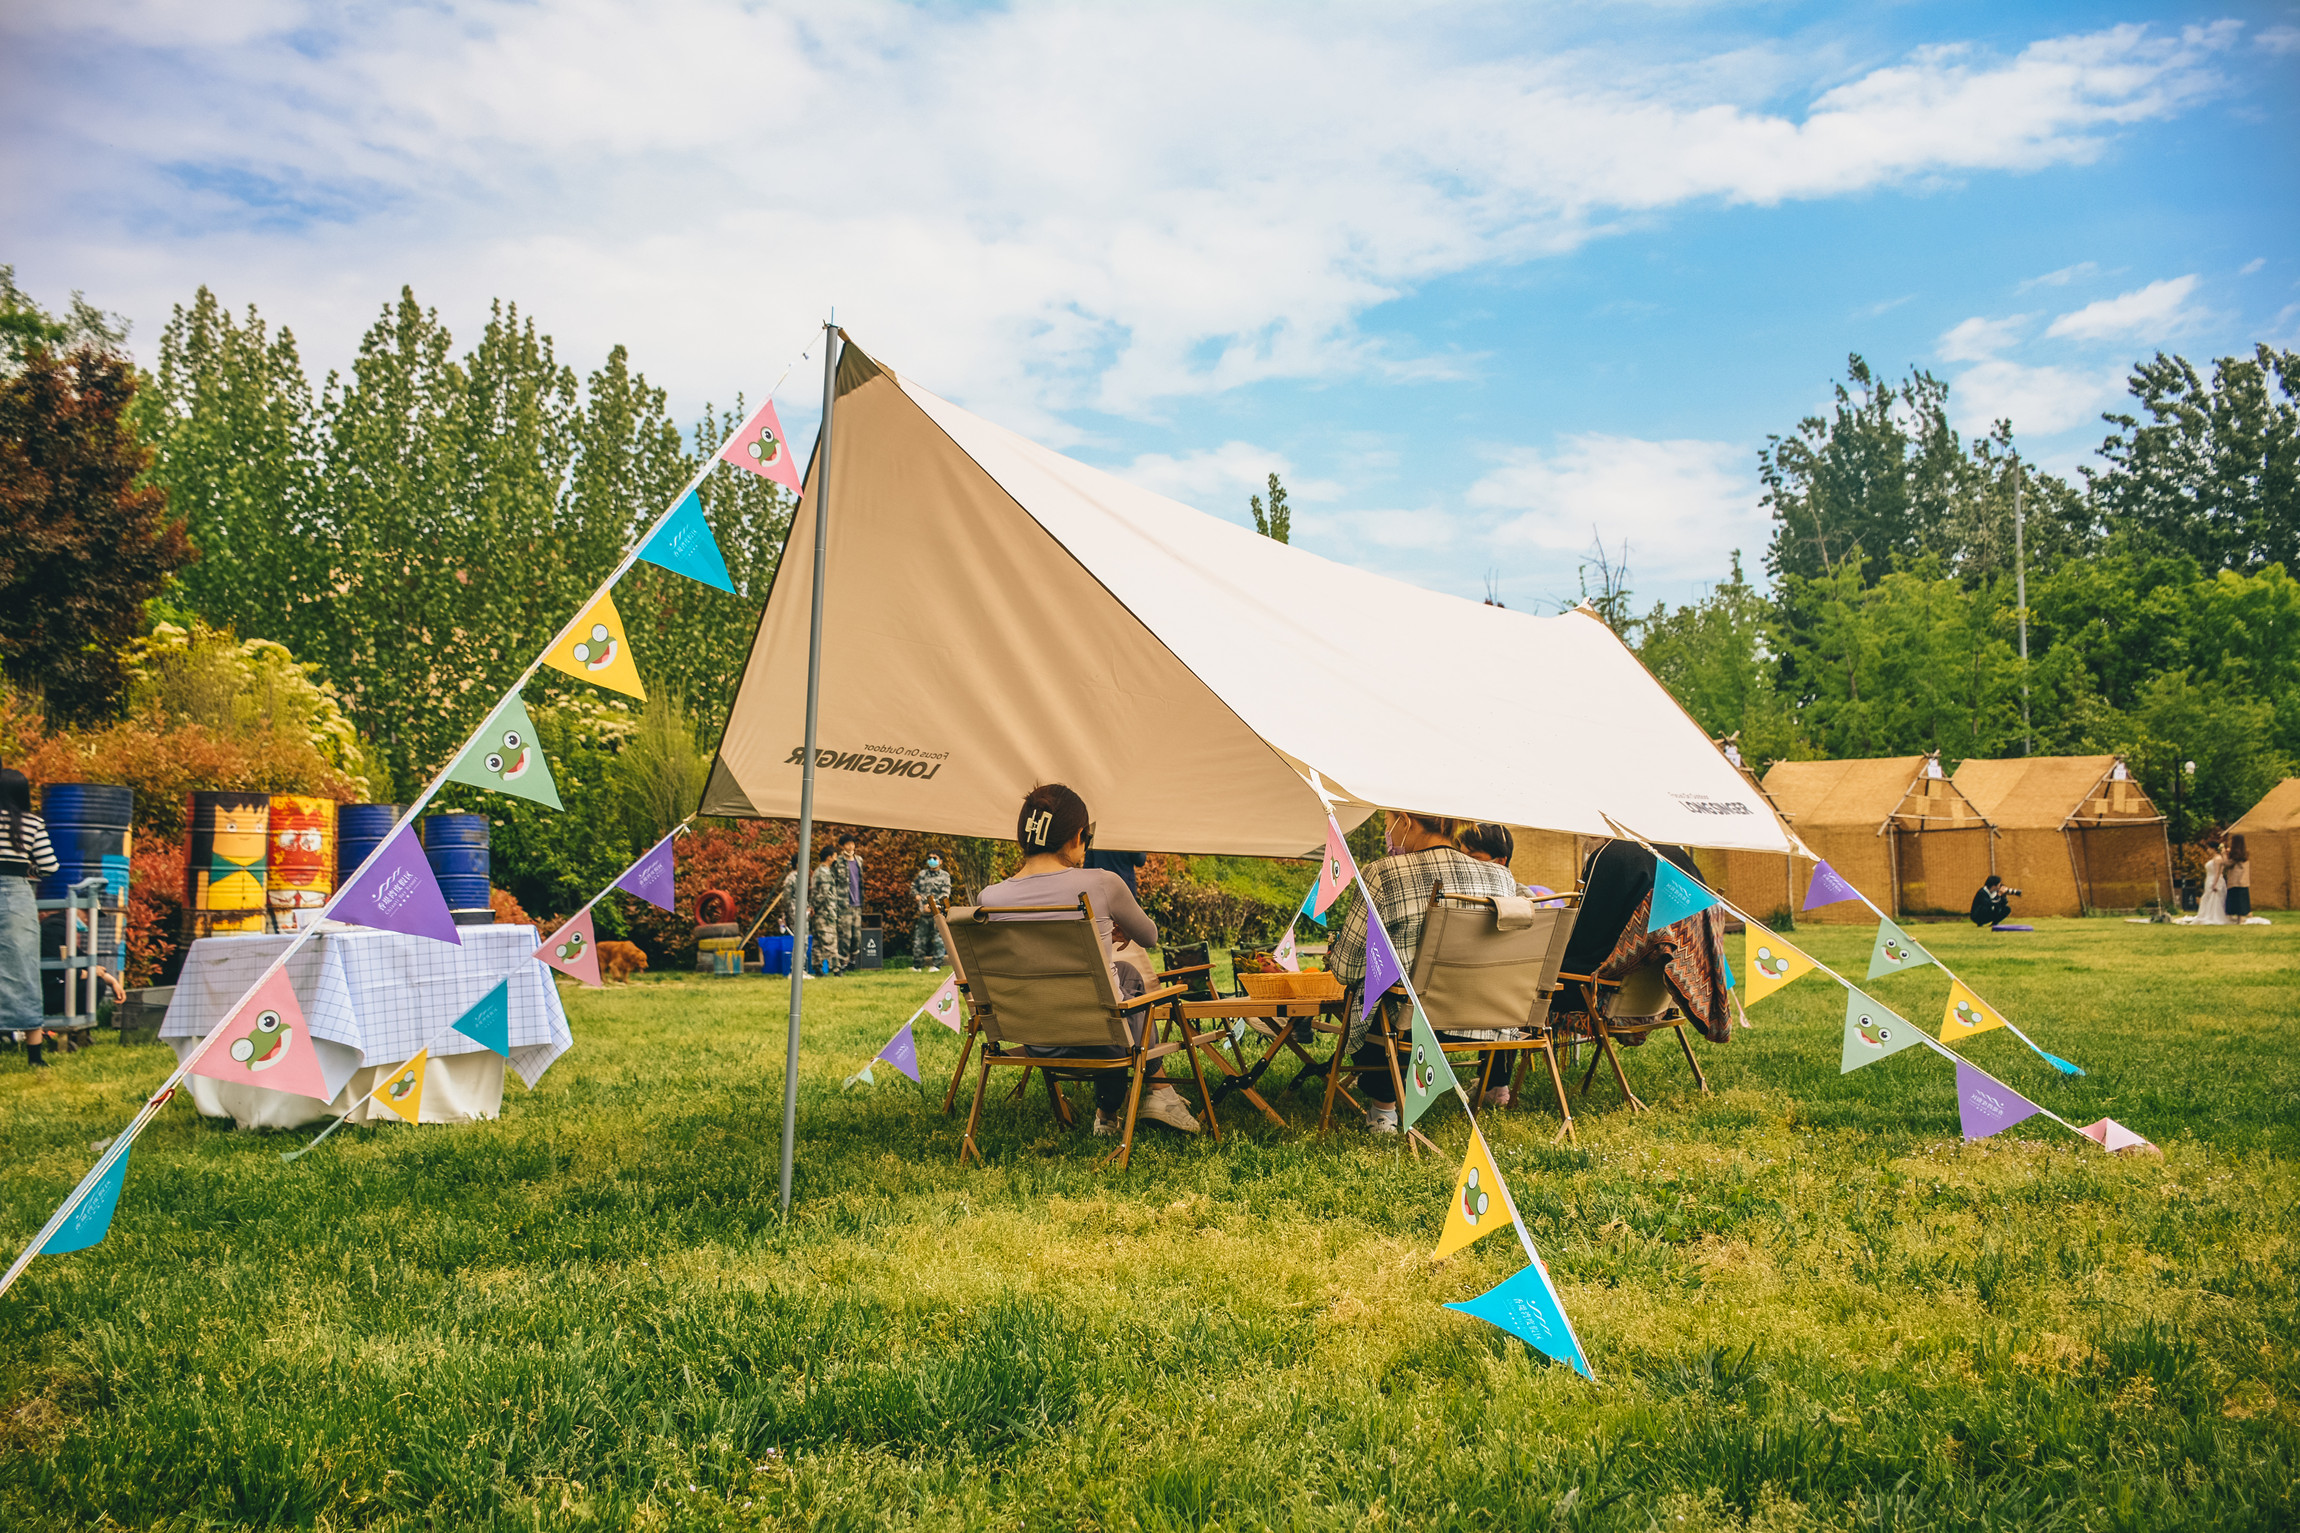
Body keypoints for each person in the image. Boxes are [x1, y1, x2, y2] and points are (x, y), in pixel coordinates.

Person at [976, 783, 1199, 1137]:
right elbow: (1150, 936)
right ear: (1077, 836)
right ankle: (1154, 1093)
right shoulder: (1102, 884)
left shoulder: (989, 899)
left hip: (1035, 1039)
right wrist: (1114, 921)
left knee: (1123, 974)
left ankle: (1112, 1113)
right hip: (1102, 1039)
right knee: (1125, 993)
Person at [1328, 810, 1518, 1131]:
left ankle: (1384, 1109)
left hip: (1410, 1021)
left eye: (1387, 824)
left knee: (1375, 992)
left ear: (1405, 821)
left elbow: (1346, 968)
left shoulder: (1383, 873)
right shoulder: (1502, 877)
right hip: (1483, 1015)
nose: (1387, 834)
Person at [1, 769, 60, 1068]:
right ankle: (34, 1055)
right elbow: (50, 866)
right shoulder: (32, 823)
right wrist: (28, 871)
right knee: (23, 970)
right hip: (16, 897)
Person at [779, 850, 848, 974]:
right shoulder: (793, 878)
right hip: (797, 912)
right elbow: (787, 898)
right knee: (801, 941)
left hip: (802, 911)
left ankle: (802, 969)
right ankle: (797, 971)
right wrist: (786, 914)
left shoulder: (801, 877)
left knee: (805, 941)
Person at [910, 853, 952, 970]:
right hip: (923, 913)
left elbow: (945, 894)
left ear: (941, 861)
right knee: (919, 940)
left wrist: (932, 905)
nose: (931, 860)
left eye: (934, 858)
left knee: (938, 940)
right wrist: (917, 896)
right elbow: (913, 887)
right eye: (929, 858)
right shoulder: (922, 874)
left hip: (937, 913)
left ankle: (936, 965)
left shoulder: (945, 876)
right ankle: (917, 966)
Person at [833, 835, 867, 972]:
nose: (851, 847)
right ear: (842, 846)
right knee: (845, 936)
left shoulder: (859, 860)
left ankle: (853, 961)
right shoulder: (837, 861)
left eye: (852, 843)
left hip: (857, 904)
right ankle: (843, 963)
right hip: (843, 904)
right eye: (847, 844)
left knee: (856, 936)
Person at [1083, 846, 1148, 898]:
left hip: (1101, 889)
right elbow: (1140, 861)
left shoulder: (1096, 836)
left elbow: (1088, 867)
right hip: (1125, 888)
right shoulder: (1129, 837)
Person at [2195, 836, 2230, 925]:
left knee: (2214, 898)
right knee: (2207, 897)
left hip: (2214, 879)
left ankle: (2213, 915)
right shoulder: (2214, 858)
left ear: (2213, 849)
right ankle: (2207, 913)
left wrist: (2215, 884)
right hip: (2209, 879)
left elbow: (2218, 872)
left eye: (2209, 848)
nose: (2208, 850)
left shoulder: (2218, 859)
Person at [2226, 834, 2253, 921]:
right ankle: (2241, 918)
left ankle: (2235, 918)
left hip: (2235, 881)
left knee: (2235, 901)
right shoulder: (2245, 852)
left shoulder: (2235, 853)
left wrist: (2224, 854)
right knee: (2242, 901)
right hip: (2244, 881)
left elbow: (2227, 864)